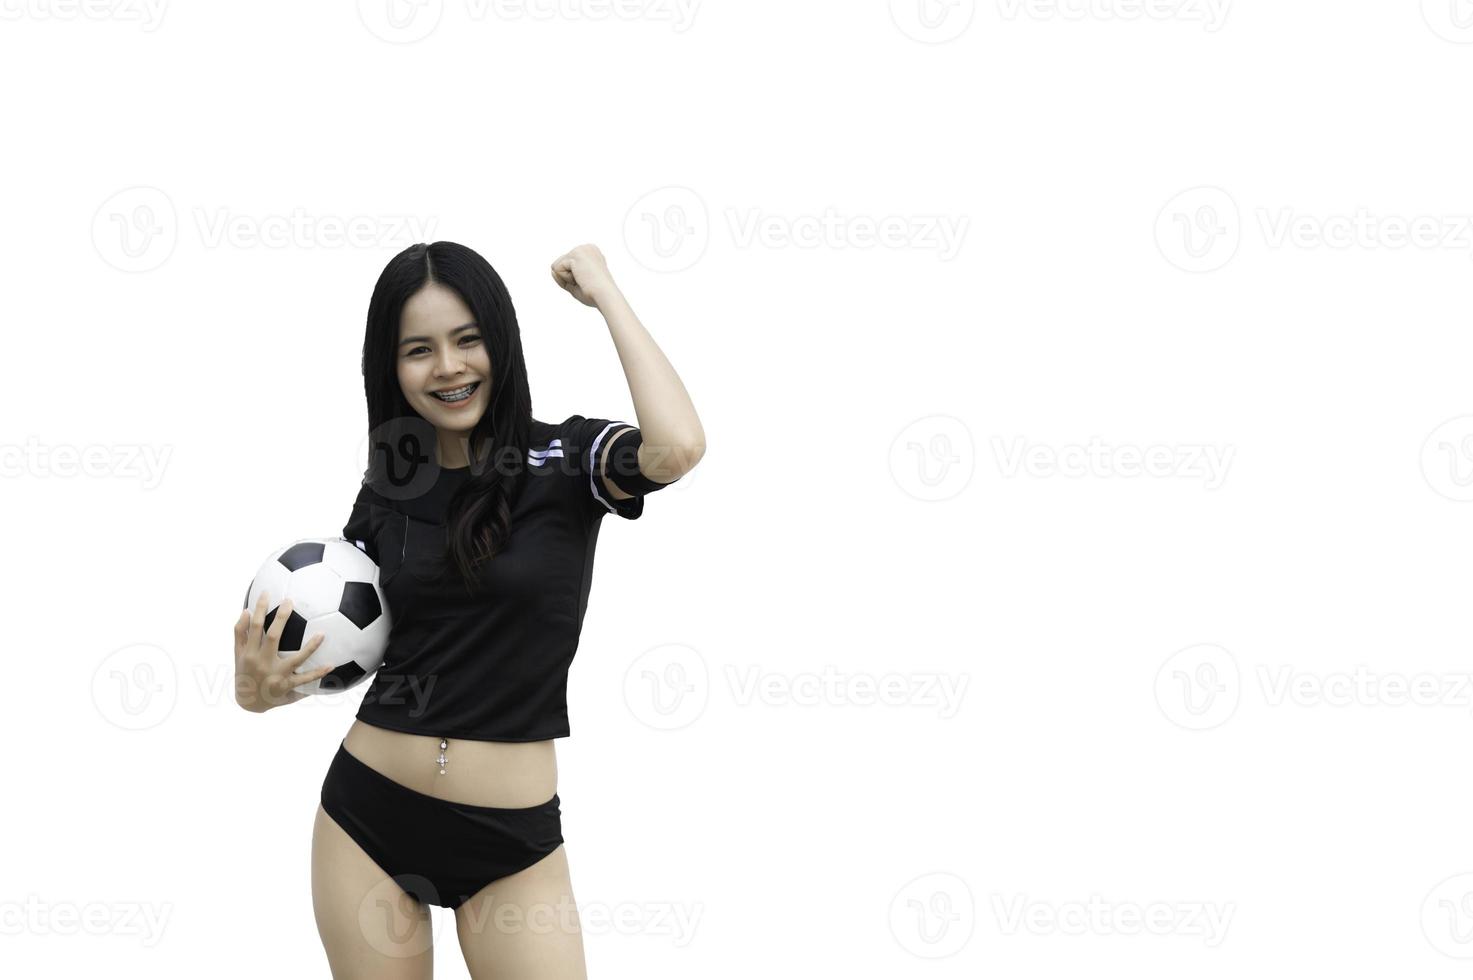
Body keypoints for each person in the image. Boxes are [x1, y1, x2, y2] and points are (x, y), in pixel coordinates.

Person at [231, 241, 705, 979]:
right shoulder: (389, 488)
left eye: (467, 339)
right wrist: (257, 694)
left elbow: (676, 446)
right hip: (368, 819)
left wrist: (606, 292)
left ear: (501, 342)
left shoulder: (567, 460)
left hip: (510, 844)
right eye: (418, 349)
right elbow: (347, 638)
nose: (447, 366)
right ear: (390, 369)